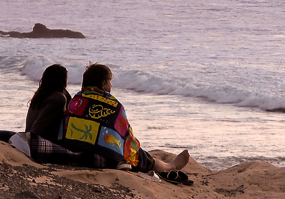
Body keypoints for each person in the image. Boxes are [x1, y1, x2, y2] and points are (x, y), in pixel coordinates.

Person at [60, 63, 190, 174]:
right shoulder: (113, 106)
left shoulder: (75, 101)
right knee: (141, 156)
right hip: (103, 154)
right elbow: (127, 138)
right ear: (104, 83)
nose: (111, 85)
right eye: (109, 82)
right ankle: (170, 166)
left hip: (71, 146)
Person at [0, 64, 109, 167]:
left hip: (28, 138)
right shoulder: (59, 98)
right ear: (62, 80)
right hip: (37, 143)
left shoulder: (41, 95)